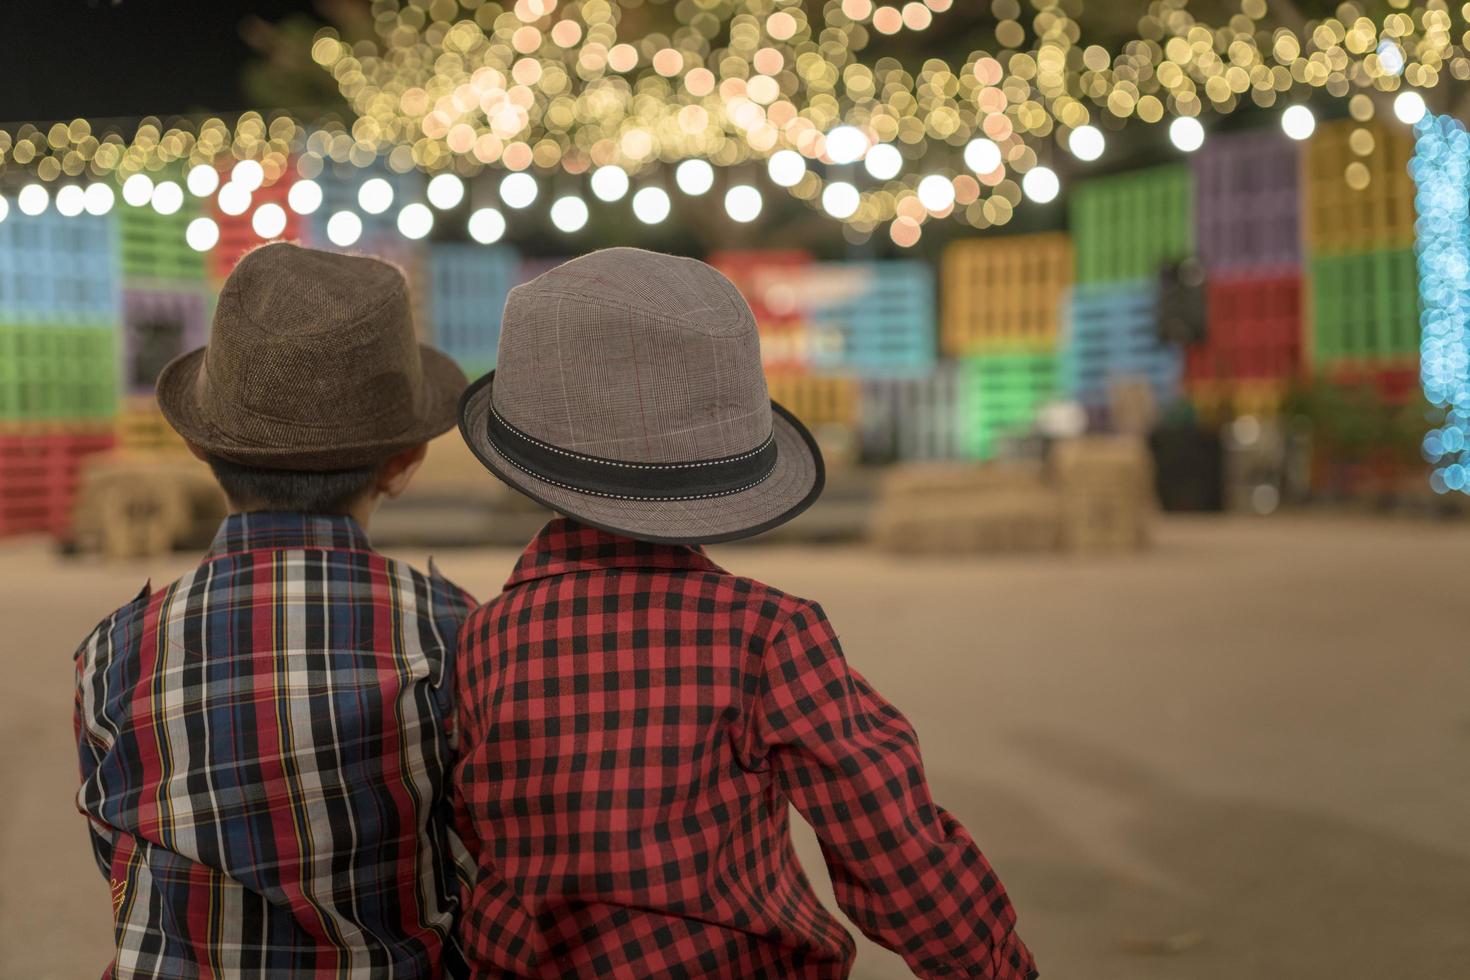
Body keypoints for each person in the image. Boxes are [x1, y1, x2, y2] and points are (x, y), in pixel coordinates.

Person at [451, 247, 1037, 979]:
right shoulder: (767, 635)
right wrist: (996, 966)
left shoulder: (482, 639)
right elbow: (891, 842)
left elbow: (473, 836)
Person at [74, 243, 476, 978]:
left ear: (197, 442)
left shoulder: (113, 653)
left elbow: (119, 863)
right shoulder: (455, 635)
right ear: (406, 460)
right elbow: (474, 860)